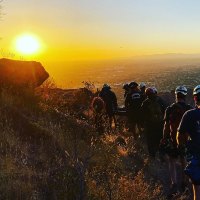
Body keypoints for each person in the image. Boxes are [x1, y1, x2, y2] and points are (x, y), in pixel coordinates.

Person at [162, 86, 192, 196]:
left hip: (172, 139)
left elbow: (166, 126)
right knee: (184, 160)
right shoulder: (189, 108)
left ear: (176, 96)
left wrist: (164, 138)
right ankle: (184, 182)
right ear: (184, 96)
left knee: (172, 161)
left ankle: (174, 183)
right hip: (185, 140)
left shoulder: (169, 109)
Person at [177, 85, 200, 200]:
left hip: (196, 156)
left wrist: (183, 147)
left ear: (195, 99)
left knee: (197, 191)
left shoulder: (189, 115)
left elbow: (180, 137)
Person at [141, 87, 166, 158]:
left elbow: (142, 114)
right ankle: (161, 154)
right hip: (160, 124)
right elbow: (165, 111)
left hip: (150, 125)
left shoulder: (145, 103)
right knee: (160, 139)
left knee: (150, 140)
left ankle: (152, 155)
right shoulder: (160, 100)